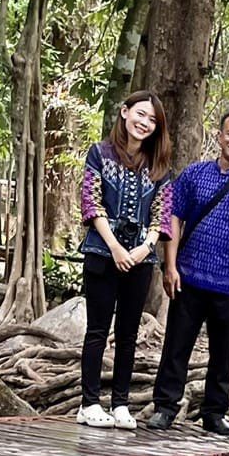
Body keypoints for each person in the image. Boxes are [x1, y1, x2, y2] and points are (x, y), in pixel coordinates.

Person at [147, 110, 229, 435]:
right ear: (219, 137)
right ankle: (165, 407)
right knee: (176, 345)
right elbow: (173, 218)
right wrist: (170, 266)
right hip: (189, 276)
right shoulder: (194, 175)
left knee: (223, 352)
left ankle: (215, 413)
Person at [78, 92, 173, 429]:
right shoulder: (99, 154)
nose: (144, 123)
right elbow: (91, 203)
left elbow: (162, 214)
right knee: (97, 330)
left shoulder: (159, 167)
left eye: (152, 120)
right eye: (140, 114)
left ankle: (120, 404)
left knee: (129, 333)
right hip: (102, 253)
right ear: (124, 112)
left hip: (140, 260)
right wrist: (115, 247)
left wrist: (146, 248)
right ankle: (89, 403)